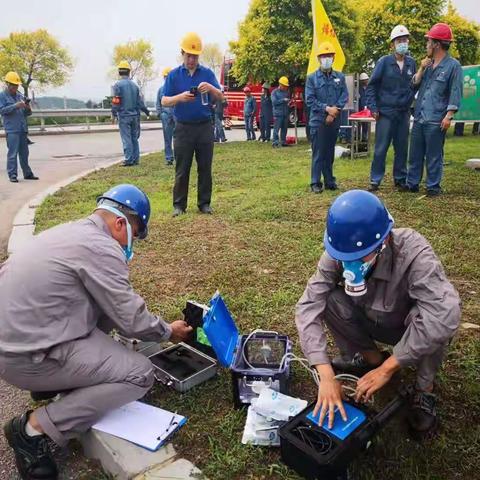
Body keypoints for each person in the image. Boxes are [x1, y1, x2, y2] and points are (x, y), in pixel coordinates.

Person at [0, 184, 193, 480]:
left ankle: (49, 384)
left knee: (99, 314)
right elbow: (133, 320)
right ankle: (31, 429)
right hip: (23, 358)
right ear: (120, 223)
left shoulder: (71, 232)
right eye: (136, 233)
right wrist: (168, 331)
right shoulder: (102, 247)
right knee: (139, 373)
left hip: (17, 339)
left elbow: (105, 307)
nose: (133, 244)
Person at [295, 190, 460, 439]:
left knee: (431, 318)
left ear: (383, 242)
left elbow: (444, 314)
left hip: (408, 330)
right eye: (344, 257)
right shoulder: (338, 251)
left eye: (360, 257)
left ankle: (424, 389)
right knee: (329, 300)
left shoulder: (413, 252)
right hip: (371, 318)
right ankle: (372, 359)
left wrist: (390, 368)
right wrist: (325, 373)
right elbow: (309, 304)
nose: (349, 264)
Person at [161, 32, 224, 217]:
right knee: (182, 168)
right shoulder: (173, 75)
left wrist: (211, 88)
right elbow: (164, 100)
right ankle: (179, 205)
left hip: (204, 126)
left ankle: (204, 203)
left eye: (195, 56)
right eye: (188, 55)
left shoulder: (207, 73)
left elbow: (221, 97)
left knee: (205, 167)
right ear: (182, 53)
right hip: (183, 128)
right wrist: (179, 98)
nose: (191, 60)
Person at [403, 23, 463, 197]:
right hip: (420, 116)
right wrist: (421, 67)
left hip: (436, 119)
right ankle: (412, 183)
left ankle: (433, 187)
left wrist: (449, 115)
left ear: (437, 44)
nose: (426, 44)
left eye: (428, 41)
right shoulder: (427, 64)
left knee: (434, 155)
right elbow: (413, 84)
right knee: (414, 154)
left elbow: (455, 91)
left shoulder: (453, 66)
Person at [366, 25, 416, 192]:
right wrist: (373, 107)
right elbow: (372, 86)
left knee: (402, 147)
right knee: (381, 147)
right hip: (385, 113)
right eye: (400, 41)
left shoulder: (412, 63)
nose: (403, 43)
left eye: (405, 40)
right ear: (392, 44)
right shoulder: (384, 62)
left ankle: (400, 179)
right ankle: (375, 179)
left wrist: (409, 103)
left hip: (403, 113)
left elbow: (414, 86)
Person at [305, 42, 348, 193]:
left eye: (329, 56)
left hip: (334, 121)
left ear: (333, 57)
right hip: (318, 121)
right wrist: (327, 109)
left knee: (329, 152)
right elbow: (310, 100)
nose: (326, 59)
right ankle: (315, 182)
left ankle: (329, 180)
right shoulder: (312, 78)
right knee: (318, 152)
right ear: (319, 58)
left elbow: (344, 95)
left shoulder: (340, 77)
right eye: (324, 56)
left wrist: (335, 110)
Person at [0, 72, 38, 183]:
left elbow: (27, 114)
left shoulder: (20, 96)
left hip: (22, 129)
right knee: (12, 153)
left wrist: (27, 107)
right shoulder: (2, 96)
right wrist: (15, 106)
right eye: (13, 85)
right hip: (12, 129)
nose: (15, 87)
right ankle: (12, 175)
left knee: (24, 153)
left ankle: (27, 173)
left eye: (17, 85)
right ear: (7, 84)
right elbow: (2, 111)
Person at [111, 61, 150, 167]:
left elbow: (116, 101)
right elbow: (140, 102)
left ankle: (128, 160)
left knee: (126, 138)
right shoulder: (135, 86)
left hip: (124, 116)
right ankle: (136, 159)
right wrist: (146, 111)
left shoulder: (117, 85)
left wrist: (114, 113)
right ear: (129, 72)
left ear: (119, 72)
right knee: (134, 138)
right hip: (135, 116)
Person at [156, 67, 175, 165]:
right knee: (170, 138)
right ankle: (169, 158)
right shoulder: (161, 90)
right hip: (167, 116)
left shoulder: (176, 88)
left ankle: (173, 157)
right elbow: (158, 103)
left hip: (174, 115)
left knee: (175, 138)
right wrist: (161, 114)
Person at [271, 76, 290, 147]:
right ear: (280, 84)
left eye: (286, 86)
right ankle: (275, 142)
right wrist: (283, 100)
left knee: (284, 129)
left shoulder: (286, 92)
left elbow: (286, 102)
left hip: (285, 113)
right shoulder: (274, 92)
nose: (286, 87)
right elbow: (274, 102)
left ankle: (283, 142)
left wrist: (288, 102)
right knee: (276, 129)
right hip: (278, 114)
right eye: (284, 86)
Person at [358, 72, 369, 143]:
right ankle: (358, 135)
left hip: (367, 108)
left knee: (366, 123)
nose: (365, 81)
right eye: (363, 80)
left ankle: (365, 137)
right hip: (359, 108)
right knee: (359, 123)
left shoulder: (369, 88)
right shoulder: (359, 89)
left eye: (366, 80)